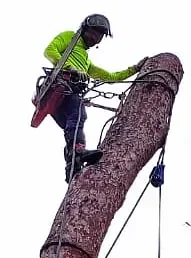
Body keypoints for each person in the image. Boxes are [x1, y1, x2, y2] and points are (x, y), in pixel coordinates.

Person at [41, 15, 146, 182]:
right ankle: (78, 152)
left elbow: (110, 76)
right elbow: (50, 51)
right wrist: (71, 69)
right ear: (84, 29)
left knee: (74, 122)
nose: (95, 38)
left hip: (66, 97)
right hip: (59, 87)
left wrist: (135, 69)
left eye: (99, 36)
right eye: (93, 33)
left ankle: (72, 165)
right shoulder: (69, 37)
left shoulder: (86, 61)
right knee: (79, 115)